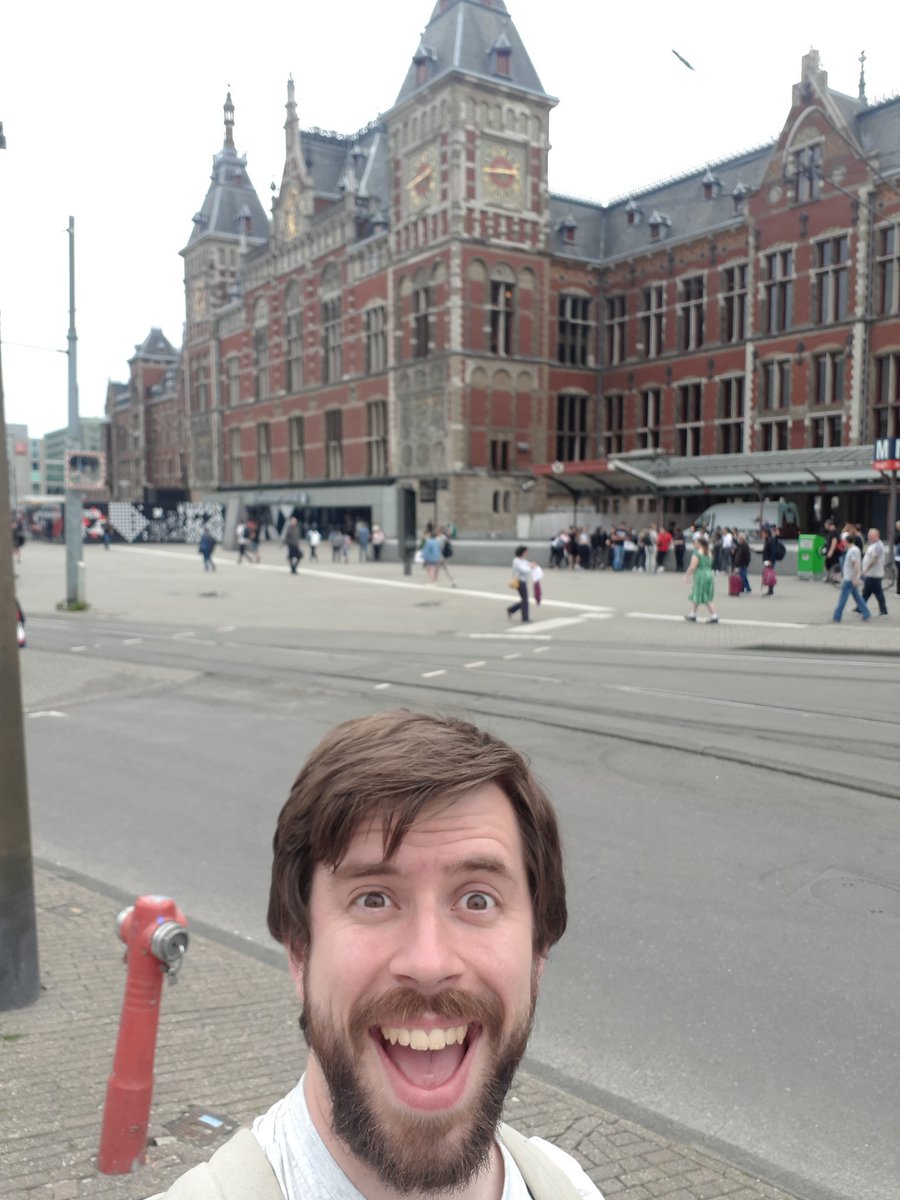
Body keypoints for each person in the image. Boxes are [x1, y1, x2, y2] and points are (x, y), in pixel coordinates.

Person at [149, 711, 600, 1200]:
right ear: (300, 949)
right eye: (373, 899)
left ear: (538, 953)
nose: (429, 964)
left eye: (477, 900)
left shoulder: (568, 1185)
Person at [833, 532, 871, 623]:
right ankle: (866, 613)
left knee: (843, 598)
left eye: (844, 542)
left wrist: (855, 577)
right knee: (857, 597)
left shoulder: (853, 550)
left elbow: (856, 564)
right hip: (850, 577)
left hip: (849, 578)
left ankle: (837, 616)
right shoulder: (854, 549)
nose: (843, 543)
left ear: (846, 541)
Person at [683, 533, 718, 623]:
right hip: (709, 574)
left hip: (701, 575)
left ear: (699, 543)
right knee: (700, 594)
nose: (694, 543)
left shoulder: (697, 553)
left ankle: (714, 615)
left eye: (696, 542)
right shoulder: (709, 552)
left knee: (703, 595)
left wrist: (687, 575)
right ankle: (693, 614)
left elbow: (693, 566)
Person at [860, 527, 888, 617]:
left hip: (874, 574)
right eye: (868, 535)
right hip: (871, 574)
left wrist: (865, 569)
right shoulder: (873, 545)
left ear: (876, 536)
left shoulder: (878, 546)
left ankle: (883, 610)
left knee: (877, 592)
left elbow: (874, 559)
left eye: (871, 535)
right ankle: (860, 607)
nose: (869, 537)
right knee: (867, 592)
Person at [507, 545, 533, 623]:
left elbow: (528, 564)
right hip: (519, 582)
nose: (526, 553)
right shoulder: (516, 560)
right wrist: (531, 567)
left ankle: (511, 609)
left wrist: (531, 565)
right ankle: (525, 617)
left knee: (524, 599)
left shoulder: (522, 560)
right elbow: (524, 570)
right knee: (525, 600)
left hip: (523, 581)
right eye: (525, 552)